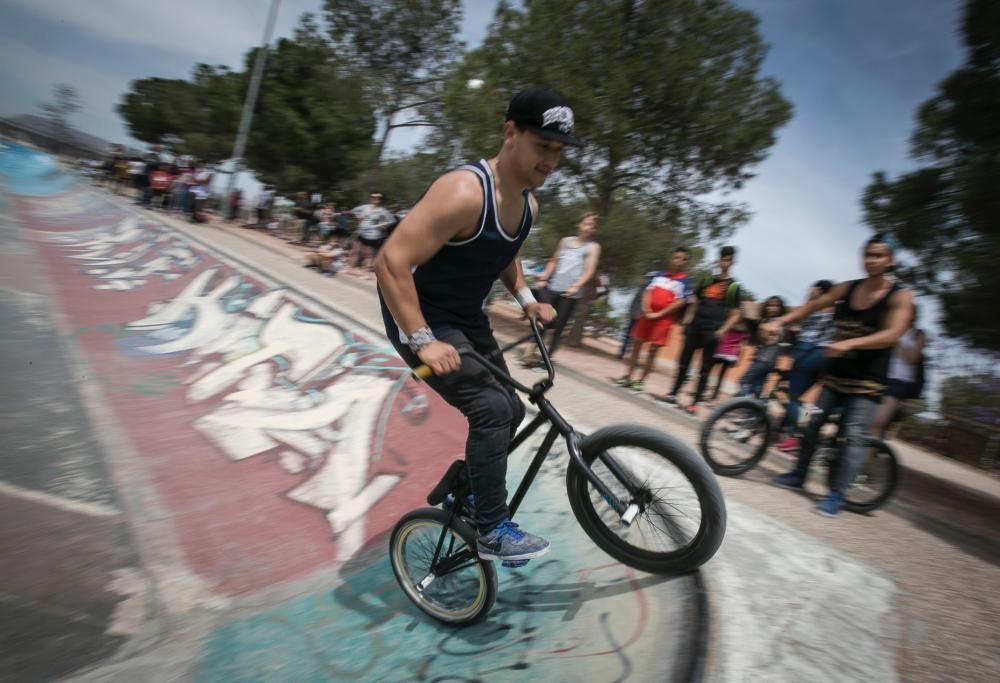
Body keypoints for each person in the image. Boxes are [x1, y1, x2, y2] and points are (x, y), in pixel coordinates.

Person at [375, 88, 583, 562]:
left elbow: (503, 254)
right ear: (510, 133)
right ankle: (490, 528)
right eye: (542, 147)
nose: (551, 162)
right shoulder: (464, 191)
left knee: (510, 410)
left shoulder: (528, 206)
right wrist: (423, 341)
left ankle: (466, 492)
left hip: (465, 319)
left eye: (559, 152)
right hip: (417, 320)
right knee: (489, 409)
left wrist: (528, 299)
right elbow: (390, 262)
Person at [766, 234, 914, 517]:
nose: (871, 260)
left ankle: (836, 495)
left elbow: (894, 333)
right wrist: (780, 321)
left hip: (866, 383)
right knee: (811, 424)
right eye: (868, 254)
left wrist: (850, 343)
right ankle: (798, 474)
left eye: (879, 255)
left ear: (891, 260)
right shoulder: (847, 288)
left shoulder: (899, 296)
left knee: (853, 436)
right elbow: (812, 307)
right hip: (835, 376)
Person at [659, 246, 743, 414]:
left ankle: (694, 403)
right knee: (683, 363)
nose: (724, 263)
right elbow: (694, 301)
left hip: (713, 331)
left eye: (728, 260)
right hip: (695, 326)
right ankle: (673, 394)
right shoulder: (707, 280)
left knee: (704, 370)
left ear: (732, 263)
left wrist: (723, 330)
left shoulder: (734, 286)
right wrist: (688, 320)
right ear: (718, 261)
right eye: (722, 259)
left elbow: (736, 314)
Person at [522, 212, 601, 366]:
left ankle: (546, 360)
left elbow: (590, 270)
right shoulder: (565, 241)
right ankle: (529, 355)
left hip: (571, 293)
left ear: (595, 230)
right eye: (586, 223)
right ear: (579, 224)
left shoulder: (593, 247)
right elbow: (554, 261)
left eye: (592, 225)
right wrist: (544, 277)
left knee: (558, 328)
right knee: (542, 320)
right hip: (553, 287)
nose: (588, 227)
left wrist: (576, 286)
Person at [615, 247, 691, 391]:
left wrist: (659, 314)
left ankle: (640, 381)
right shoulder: (658, 275)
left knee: (652, 351)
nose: (679, 261)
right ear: (671, 258)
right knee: (636, 345)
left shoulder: (685, 282)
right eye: (676, 258)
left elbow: (680, 302)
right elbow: (647, 291)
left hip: (663, 320)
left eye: (683, 259)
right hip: (647, 315)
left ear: (686, 262)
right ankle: (628, 376)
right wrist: (646, 308)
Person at [775, 280, 835, 453]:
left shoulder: (814, 308)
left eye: (812, 289)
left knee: (790, 396)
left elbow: (798, 329)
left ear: (820, 291)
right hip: (826, 356)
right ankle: (786, 432)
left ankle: (797, 434)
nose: (809, 292)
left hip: (808, 351)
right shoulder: (834, 312)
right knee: (805, 400)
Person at [869, 304, 926, 440]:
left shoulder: (918, 334)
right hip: (878, 376)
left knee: (878, 422)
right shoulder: (888, 327)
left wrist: (896, 338)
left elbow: (911, 358)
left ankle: (869, 455)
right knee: (866, 420)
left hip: (898, 382)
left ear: (913, 315)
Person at [737, 295, 787, 398]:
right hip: (765, 359)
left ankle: (743, 403)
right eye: (769, 305)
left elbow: (773, 340)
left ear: (781, 308)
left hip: (765, 359)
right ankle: (755, 409)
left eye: (775, 305)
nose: (772, 308)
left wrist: (764, 332)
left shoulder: (779, 323)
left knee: (743, 381)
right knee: (757, 385)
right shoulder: (766, 321)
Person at [352, 192, 395, 277]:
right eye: (373, 197)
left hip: (372, 235)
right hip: (361, 232)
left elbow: (392, 220)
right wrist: (358, 216)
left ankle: (366, 274)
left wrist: (381, 225)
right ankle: (349, 269)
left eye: (378, 198)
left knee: (368, 255)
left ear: (380, 200)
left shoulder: (383, 211)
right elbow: (354, 210)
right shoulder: (365, 207)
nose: (375, 199)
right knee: (355, 251)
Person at [708, 324, 749, 401]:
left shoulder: (727, 325)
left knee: (708, 370)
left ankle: (702, 389)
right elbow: (741, 347)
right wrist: (738, 359)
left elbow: (718, 336)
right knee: (721, 375)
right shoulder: (744, 332)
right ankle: (714, 395)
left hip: (719, 351)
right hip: (730, 355)